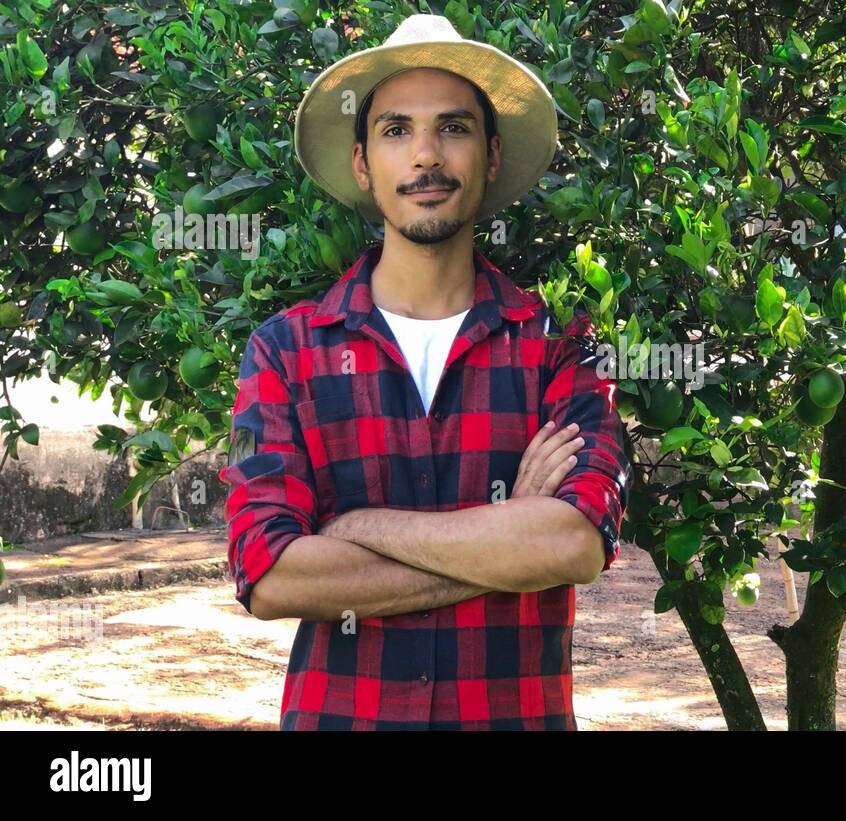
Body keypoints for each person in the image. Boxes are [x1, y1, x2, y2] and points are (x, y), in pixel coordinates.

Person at [218, 14, 630, 730]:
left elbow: (573, 543)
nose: (427, 155)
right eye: (396, 130)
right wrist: (504, 535)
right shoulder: (285, 351)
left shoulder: (559, 345)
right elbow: (270, 572)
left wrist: (353, 528)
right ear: (362, 163)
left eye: (455, 128)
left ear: (492, 155)